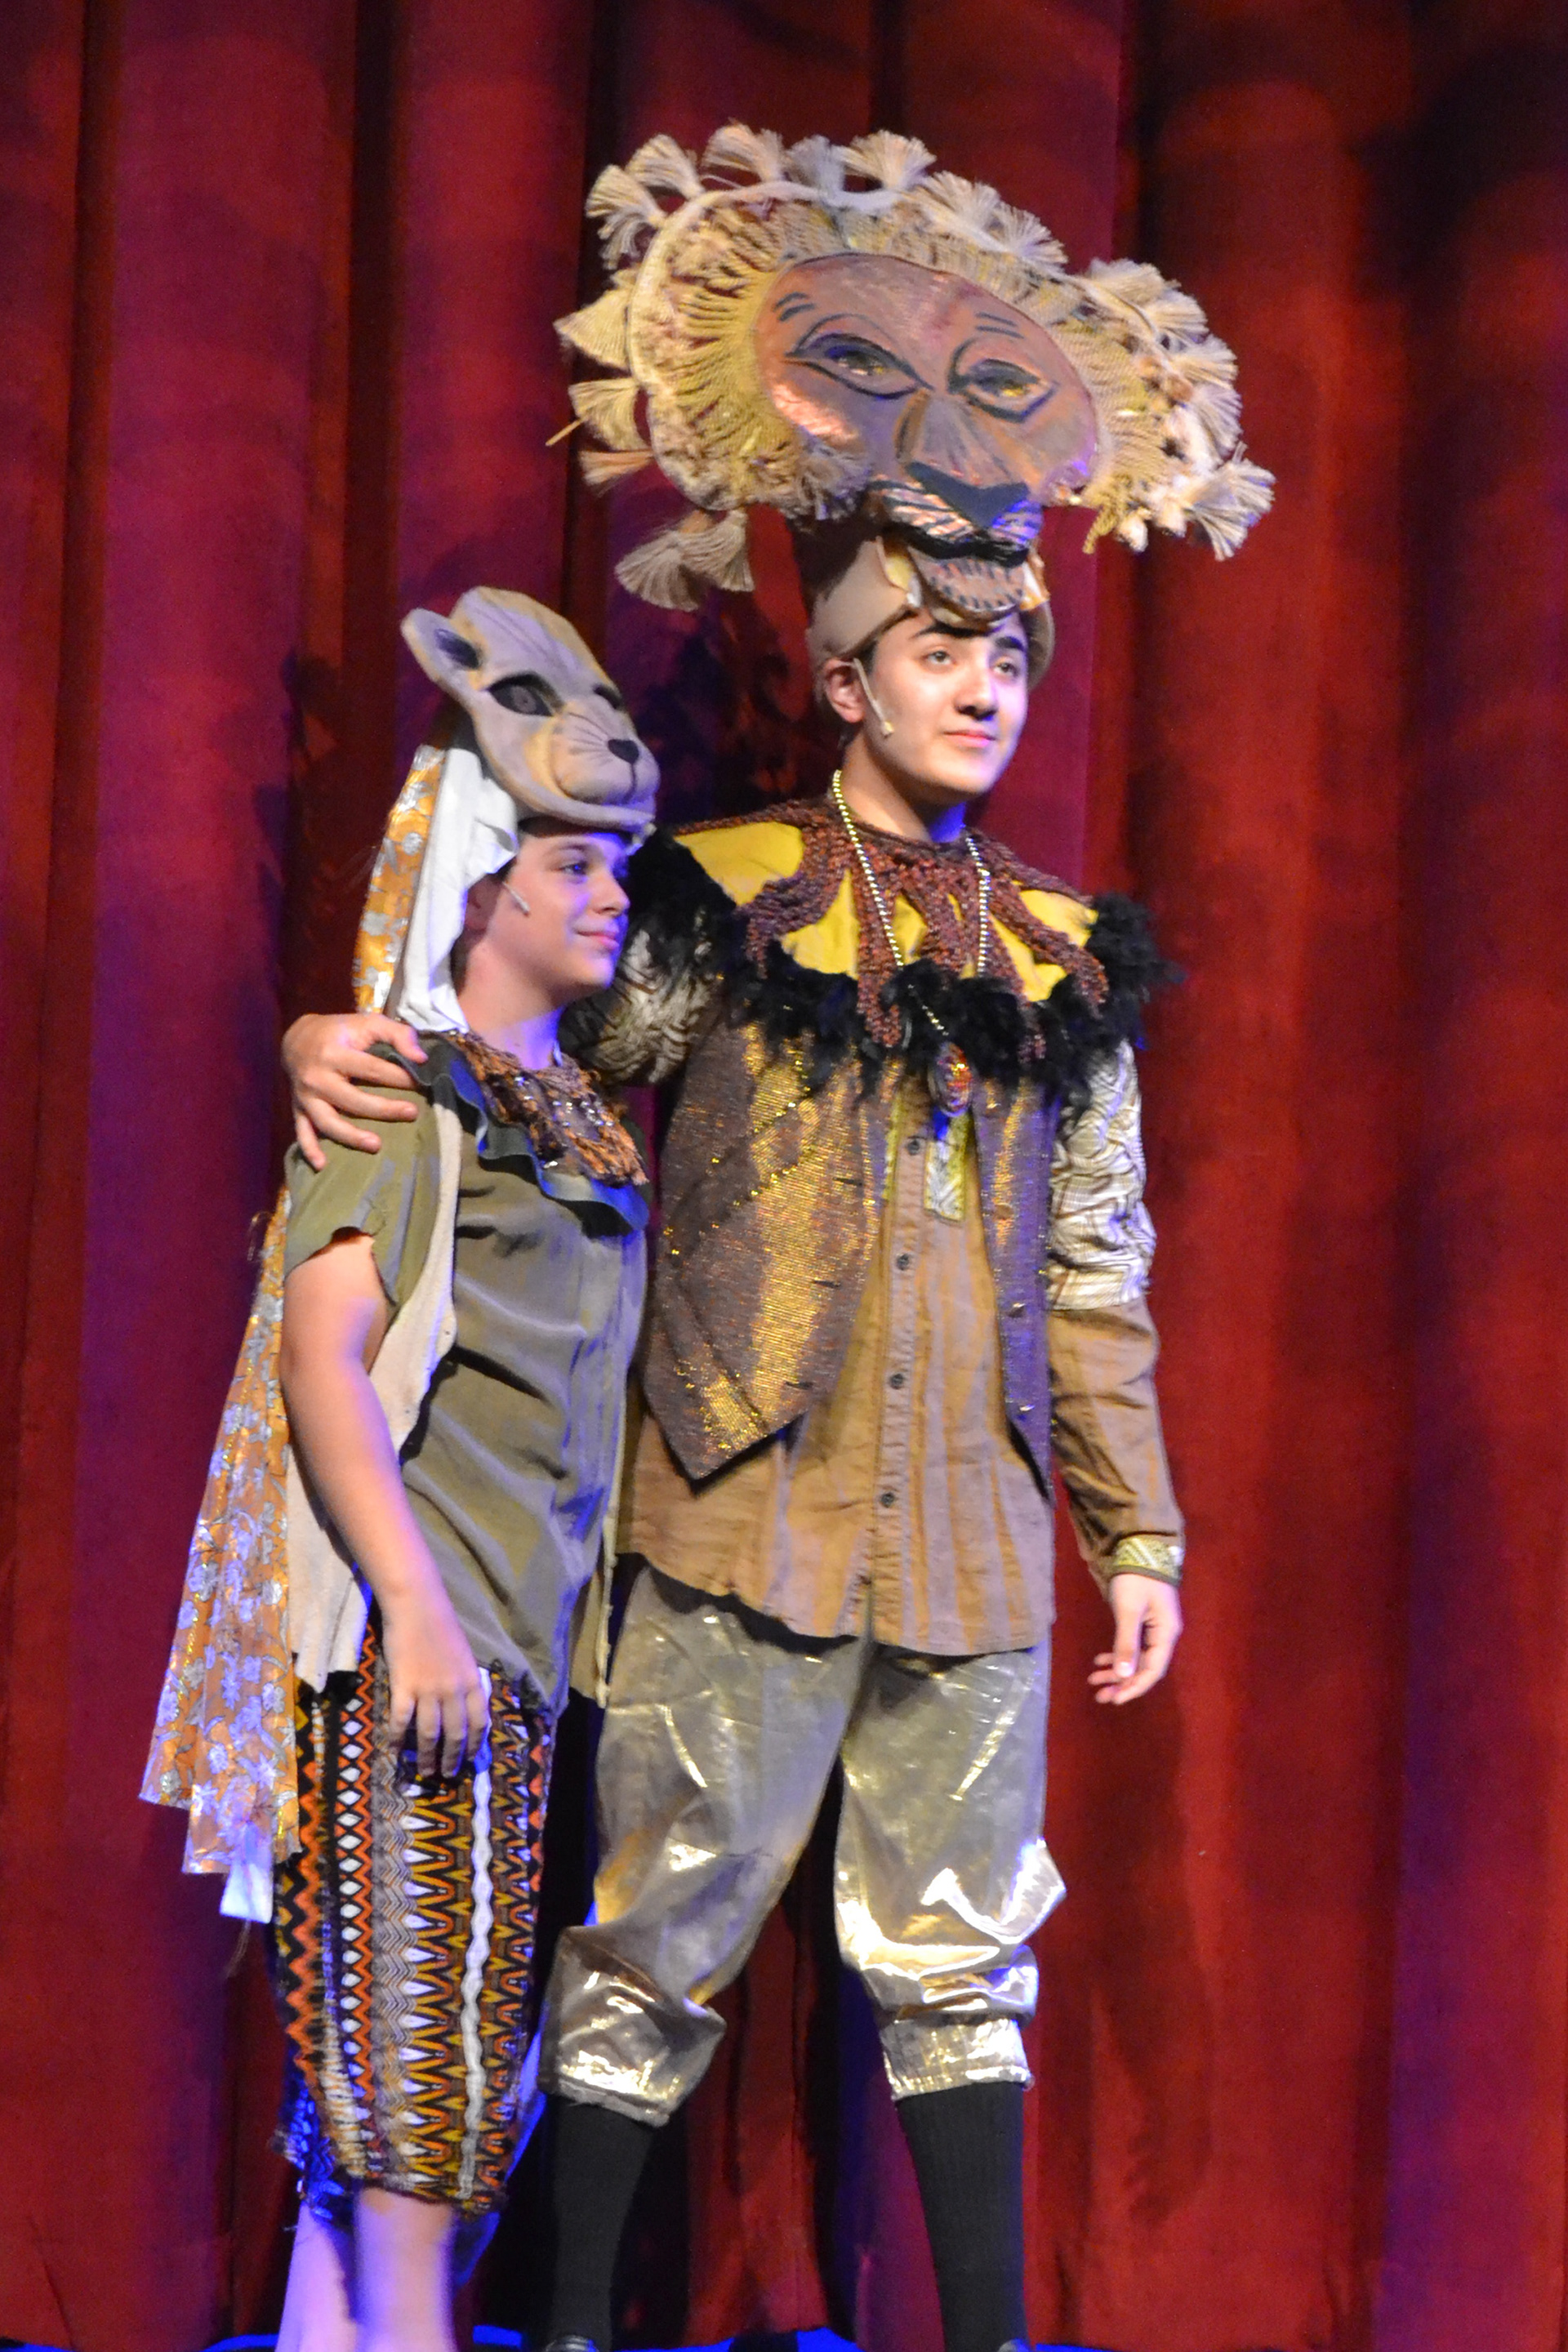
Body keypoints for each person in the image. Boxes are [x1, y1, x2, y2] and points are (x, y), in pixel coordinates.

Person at [279, 128, 1271, 2352]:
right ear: (843, 679)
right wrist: (342, 1030)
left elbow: (1094, 1257)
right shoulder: (713, 900)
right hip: (740, 1500)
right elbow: (534, 1057)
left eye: (1008, 653)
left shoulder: (1065, 954)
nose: (982, 686)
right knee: (657, 1933)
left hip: (974, 1526)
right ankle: (564, 2328)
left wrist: (1138, 1528)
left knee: (963, 1952)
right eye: (937, 648)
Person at [145, 592, 658, 2352]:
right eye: (572, 867)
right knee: (420, 2071)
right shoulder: (403, 1096)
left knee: (436, 2052)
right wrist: (417, 1613)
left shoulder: (581, 1119)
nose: (609, 897)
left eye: (616, 868)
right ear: (481, 885)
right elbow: (326, 1363)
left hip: (522, 1645)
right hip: (412, 1645)